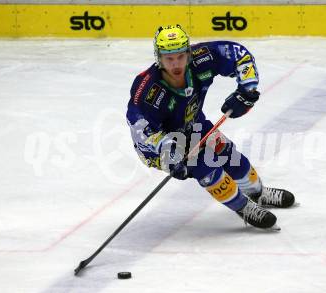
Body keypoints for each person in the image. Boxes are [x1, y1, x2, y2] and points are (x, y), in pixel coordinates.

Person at [126, 24, 295, 230]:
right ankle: (243, 207)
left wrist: (246, 91)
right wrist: (168, 151)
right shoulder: (147, 89)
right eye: (169, 58)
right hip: (160, 146)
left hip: (193, 125)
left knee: (229, 153)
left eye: (180, 56)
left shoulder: (201, 58)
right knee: (206, 167)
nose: (176, 64)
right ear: (158, 58)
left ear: (188, 53)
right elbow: (139, 128)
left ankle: (257, 193)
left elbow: (239, 55)